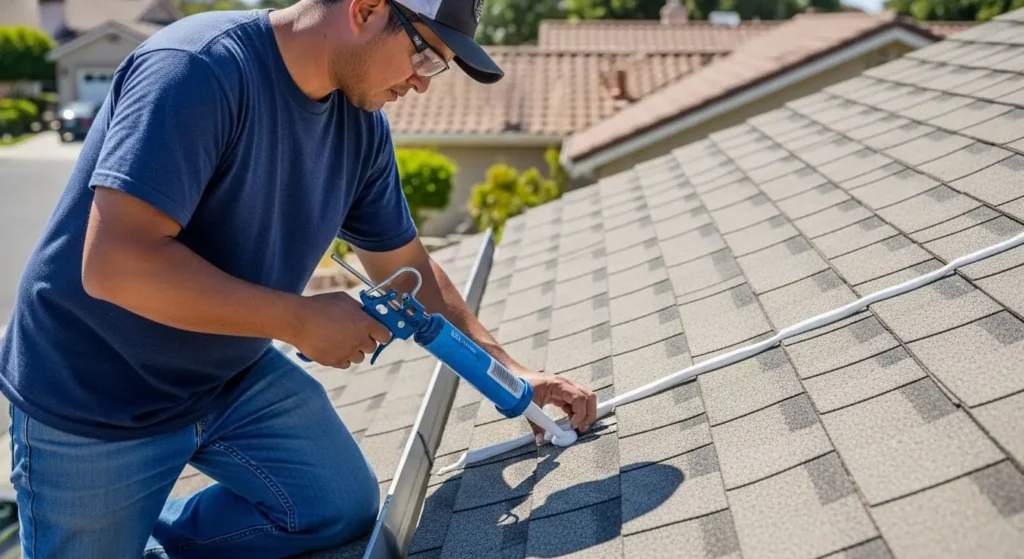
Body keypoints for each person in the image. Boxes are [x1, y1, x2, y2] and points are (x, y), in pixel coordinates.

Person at [0, 0, 598, 556]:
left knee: (337, 508)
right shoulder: (197, 71)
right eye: (425, 56)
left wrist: (513, 372)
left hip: (227, 377)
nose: (421, 81)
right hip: (94, 394)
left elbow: (407, 267)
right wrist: (299, 319)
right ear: (365, 8)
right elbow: (114, 264)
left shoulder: (358, 127)